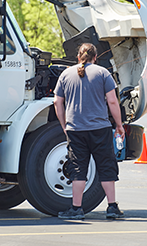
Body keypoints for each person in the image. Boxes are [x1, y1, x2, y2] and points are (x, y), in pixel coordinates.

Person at [54, 42, 125, 220]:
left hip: (75, 129)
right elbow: (113, 101)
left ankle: (76, 208)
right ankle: (112, 207)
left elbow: (57, 102)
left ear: (78, 56)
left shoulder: (65, 74)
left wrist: (64, 125)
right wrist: (119, 124)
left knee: (78, 168)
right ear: (95, 57)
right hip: (99, 129)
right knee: (106, 165)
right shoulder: (103, 73)